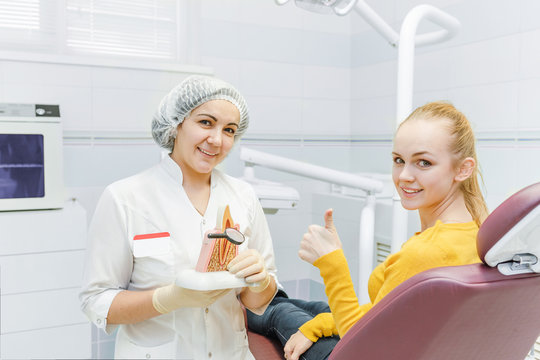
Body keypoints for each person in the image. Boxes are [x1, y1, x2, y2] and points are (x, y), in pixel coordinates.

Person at [79, 75, 278, 359]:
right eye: (206, 122)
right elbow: (96, 301)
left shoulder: (244, 196)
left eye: (230, 130)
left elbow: (259, 301)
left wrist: (260, 281)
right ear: (177, 124)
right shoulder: (125, 198)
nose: (217, 140)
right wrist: (167, 299)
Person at [283, 101, 489, 359]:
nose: (403, 175)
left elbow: (362, 345)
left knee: (275, 313)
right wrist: (319, 326)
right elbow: (386, 317)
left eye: (423, 163)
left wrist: (331, 263)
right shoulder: (477, 231)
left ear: (463, 169)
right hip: (407, 343)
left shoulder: (429, 251)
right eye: (398, 160)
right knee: (307, 309)